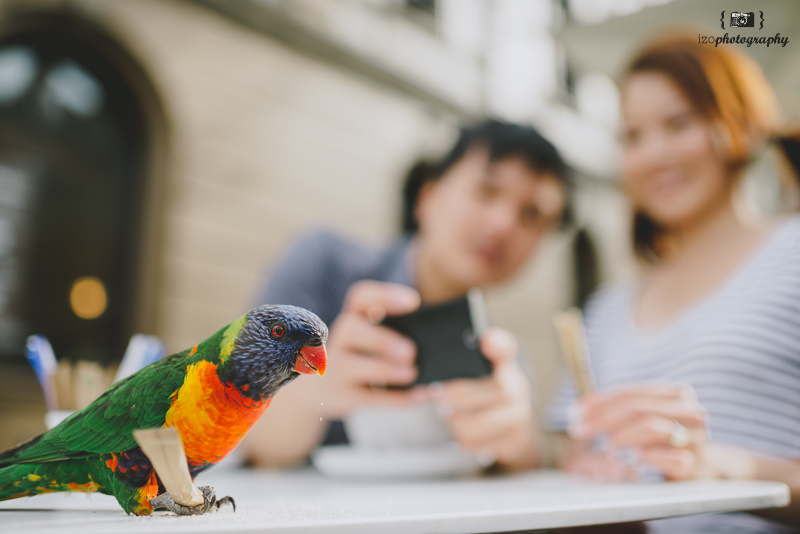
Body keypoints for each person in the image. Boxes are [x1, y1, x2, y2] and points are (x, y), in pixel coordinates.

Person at [550, 34, 800, 532]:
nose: (653, 154)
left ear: (741, 125)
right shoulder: (605, 309)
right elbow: (571, 448)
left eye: (677, 123)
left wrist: (721, 466)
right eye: (632, 136)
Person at [241, 119, 569, 471]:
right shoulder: (323, 267)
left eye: (531, 215)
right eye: (486, 191)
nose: (504, 223)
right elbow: (242, 433)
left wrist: (517, 440)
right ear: (427, 198)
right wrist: (314, 393)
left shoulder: (504, 358)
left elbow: (524, 463)